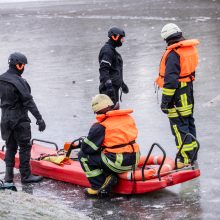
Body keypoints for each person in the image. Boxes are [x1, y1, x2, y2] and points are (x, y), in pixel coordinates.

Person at [155, 23, 199, 168]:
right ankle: (192, 155)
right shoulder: (188, 49)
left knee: (179, 127)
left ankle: (184, 158)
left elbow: (171, 82)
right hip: (188, 92)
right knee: (188, 123)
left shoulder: (174, 54)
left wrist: (165, 102)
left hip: (177, 95)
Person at [78, 94, 140, 197]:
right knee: (107, 151)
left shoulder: (101, 126)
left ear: (97, 110)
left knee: (83, 156)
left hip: (118, 163)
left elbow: (87, 149)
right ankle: (109, 175)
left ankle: (98, 185)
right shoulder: (127, 117)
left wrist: (84, 142)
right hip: (135, 159)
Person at [0, 52, 46, 184]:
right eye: (23, 65)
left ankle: (8, 177)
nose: (24, 68)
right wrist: (39, 118)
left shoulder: (1, 79)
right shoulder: (19, 81)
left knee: (10, 146)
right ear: (18, 66)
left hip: (5, 119)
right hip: (19, 119)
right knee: (24, 147)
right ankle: (26, 176)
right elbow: (28, 102)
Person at [98, 27, 129, 104]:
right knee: (110, 114)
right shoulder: (107, 51)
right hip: (108, 91)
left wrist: (121, 83)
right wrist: (109, 87)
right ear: (115, 37)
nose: (123, 40)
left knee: (115, 114)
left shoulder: (112, 50)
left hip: (113, 89)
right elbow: (103, 70)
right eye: (121, 38)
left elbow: (114, 70)